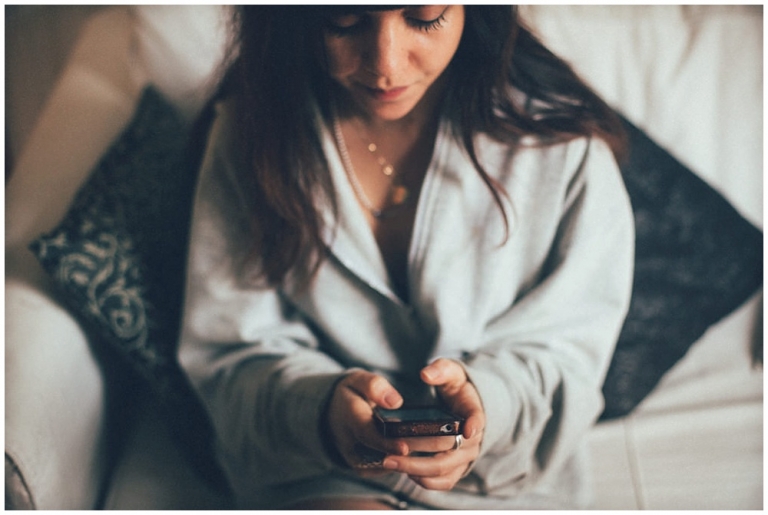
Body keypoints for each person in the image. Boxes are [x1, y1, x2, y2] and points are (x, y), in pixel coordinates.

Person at [178, 5, 634, 510]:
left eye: (423, 17)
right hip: (319, 469)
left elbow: (568, 357)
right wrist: (321, 412)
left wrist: (489, 406)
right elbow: (230, 359)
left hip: (504, 475)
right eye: (345, 20)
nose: (386, 66)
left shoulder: (561, 145)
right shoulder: (249, 137)